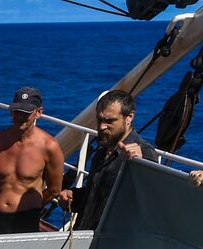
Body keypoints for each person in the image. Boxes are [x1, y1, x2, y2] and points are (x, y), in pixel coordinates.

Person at [58, 90, 160, 231]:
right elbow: (98, 194)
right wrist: (74, 197)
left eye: (109, 121)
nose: (101, 127)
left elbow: (151, 200)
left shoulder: (144, 153)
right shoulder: (102, 152)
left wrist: (140, 166)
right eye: (99, 120)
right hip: (86, 238)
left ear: (129, 117)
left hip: (113, 242)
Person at [0, 87, 64, 236]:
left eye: (26, 113)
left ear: (38, 113)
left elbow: (54, 189)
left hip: (26, 220)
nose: (19, 117)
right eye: (16, 111)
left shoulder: (49, 147)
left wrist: (31, 206)